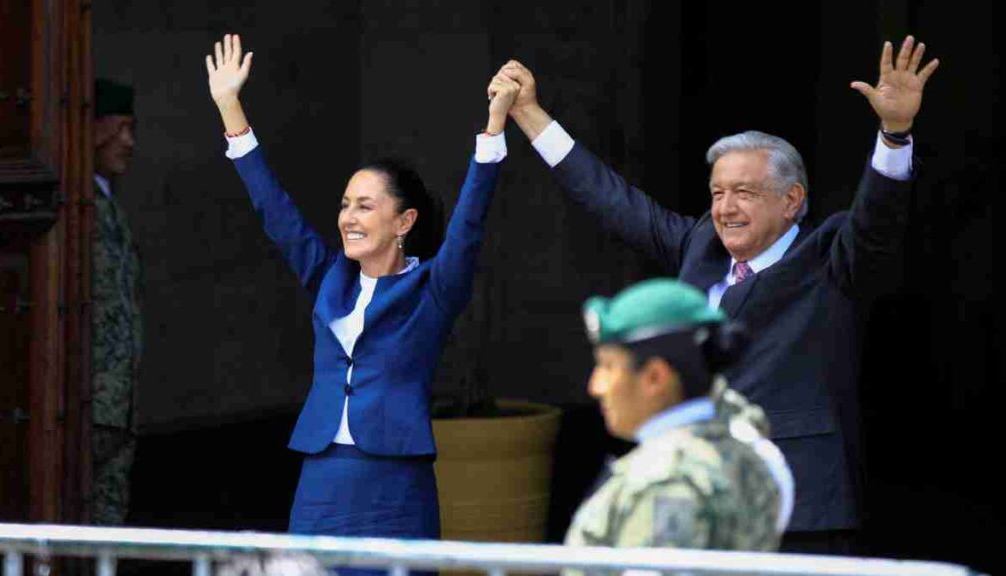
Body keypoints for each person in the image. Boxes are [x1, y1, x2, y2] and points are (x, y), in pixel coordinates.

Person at [499, 37, 939, 551]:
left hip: (797, 503)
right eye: (717, 193)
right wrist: (529, 115)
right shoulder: (700, 244)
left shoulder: (831, 258)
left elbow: (878, 223)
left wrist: (895, 133)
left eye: (745, 193)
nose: (726, 208)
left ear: (792, 200)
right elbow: (609, 199)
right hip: (690, 498)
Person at [202, 33, 517, 557]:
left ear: (404, 222)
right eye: (346, 204)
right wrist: (230, 107)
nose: (348, 217)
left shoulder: (432, 290)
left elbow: (469, 226)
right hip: (322, 478)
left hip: (395, 485)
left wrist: (494, 128)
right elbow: (274, 212)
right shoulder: (330, 277)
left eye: (366, 206)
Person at [565, 278, 792, 558]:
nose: (595, 386)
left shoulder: (667, 481)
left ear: (655, 377)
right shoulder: (749, 447)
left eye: (608, 367)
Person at [91, 77, 143, 526]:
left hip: (117, 406)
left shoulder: (107, 206)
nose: (128, 143)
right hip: (85, 406)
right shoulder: (74, 206)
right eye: (120, 128)